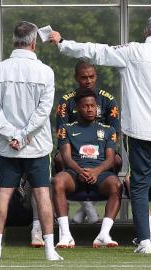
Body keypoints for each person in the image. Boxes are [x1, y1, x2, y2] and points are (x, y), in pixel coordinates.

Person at [50, 14, 151, 254]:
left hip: (139, 131)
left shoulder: (132, 51)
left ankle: (144, 242)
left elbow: (95, 51)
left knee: (139, 186)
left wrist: (62, 43)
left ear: (145, 33)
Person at [0, 21, 62, 261]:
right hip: (35, 145)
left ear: (14, 41)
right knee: (42, 194)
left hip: (7, 145)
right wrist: (23, 135)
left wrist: (12, 134)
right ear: (34, 43)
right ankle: (49, 249)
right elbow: (43, 112)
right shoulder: (45, 71)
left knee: (2, 194)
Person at [52, 90, 122, 248]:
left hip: (100, 173)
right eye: (85, 106)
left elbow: (111, 159)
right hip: (75, 172)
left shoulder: (108, 130)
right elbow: (66, 157)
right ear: (77, 108)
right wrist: (80, 171)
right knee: (57, 181)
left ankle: (104, 234)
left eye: (93, 106)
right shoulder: (66, 129)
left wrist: (96, 171)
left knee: (116, 185)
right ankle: (65, 235)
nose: (90, 109)